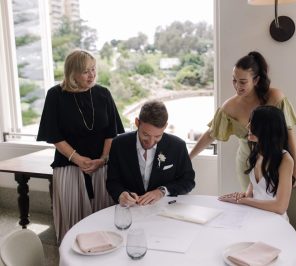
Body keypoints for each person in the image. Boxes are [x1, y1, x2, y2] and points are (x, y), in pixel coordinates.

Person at [37, 49, 125, 242]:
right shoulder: (55, 95)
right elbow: (54, 135)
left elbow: (112, 132)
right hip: (69, 168)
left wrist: (102, 160)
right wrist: (78, 159)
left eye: (93, 69)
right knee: (73, 226)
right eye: (86, 71)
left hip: (101, 169)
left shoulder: (103, 94)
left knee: (104, 225)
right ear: (72, 73)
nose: (92, 75)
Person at [189, 51, 296, 190]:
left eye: (243, 82)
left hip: (276, 162)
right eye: (234, 80)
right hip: (247, 164)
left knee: (275, 206)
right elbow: (210, 134)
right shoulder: (230, 106)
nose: (237, 86)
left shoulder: (275, 97)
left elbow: (289, 132)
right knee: (251, 204)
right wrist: (188, 158)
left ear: (256, 80)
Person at [106, 100, 195, 206]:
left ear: (165, 126)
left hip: (165, 211)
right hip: (130, 209)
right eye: (146, 135)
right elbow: (112, 181)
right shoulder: (119, 144)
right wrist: (120, 194)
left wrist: (162, 191)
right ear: (137, 123)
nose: (151, 142)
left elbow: (188, 181)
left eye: (157, 136)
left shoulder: (177, 146)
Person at [218, 106, 293, 216]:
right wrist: (242, 196)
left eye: (254, 123)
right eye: (250, 122)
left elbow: (280, 207)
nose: (248, 126)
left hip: (274, 220)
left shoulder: (285, 160)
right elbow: (253, 191)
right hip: (255, 213)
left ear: (267, 128)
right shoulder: (256, 151)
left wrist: (245, 201)